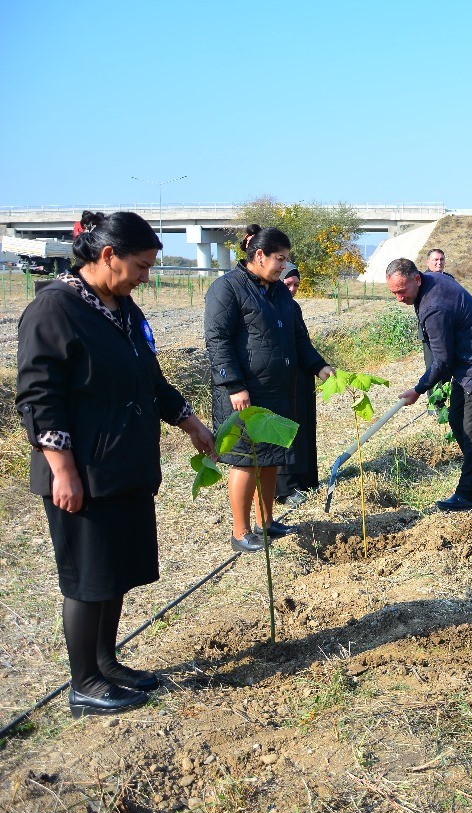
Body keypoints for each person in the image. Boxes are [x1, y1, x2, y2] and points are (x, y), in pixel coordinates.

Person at [17, 210, 217, 716]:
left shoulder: (124, 309)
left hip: (125, 465)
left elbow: (148, 375)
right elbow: (40, 397)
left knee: (116, 571)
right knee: (87, 577)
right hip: (83, 472)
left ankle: (106, 663)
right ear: (108, 256)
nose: (147, 276)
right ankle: (83, 682)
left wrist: (188, 419)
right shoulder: (55, 310)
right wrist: (62, 469)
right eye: (142, 265)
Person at [206, 226, 334, 551]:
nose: (283, 266)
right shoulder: (227, 289)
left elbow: (299, 339)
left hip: (278, 390)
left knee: (272, 458)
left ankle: (266, 522)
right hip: (244, 394)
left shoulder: (280, 294)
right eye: (280, 259)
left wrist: (320, 367)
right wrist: (234, 385)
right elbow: (217, 340)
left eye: (286, 260)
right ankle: (240, 532)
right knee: (246, 461)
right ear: (259, 255)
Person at [386, 257, 472, 511]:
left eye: (402, 291)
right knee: (456, 418)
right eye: (393, 293)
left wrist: (418, 390)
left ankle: (466, 495)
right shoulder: (433, 280)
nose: (399, 299)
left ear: (416, 279)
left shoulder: (434, 307)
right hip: (467, 363)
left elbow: (441, 360)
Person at [275, 264, 321, 504]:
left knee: (302, 427)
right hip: (281, 378)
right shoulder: (270, 306)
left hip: (300, 376)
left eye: (296, 285)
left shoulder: (292, 307)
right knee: (285, 431)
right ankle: (285, 487)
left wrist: (318, 366)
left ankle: (304, 480)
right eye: (287, 284)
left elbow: (302, 342)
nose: (292, 290)